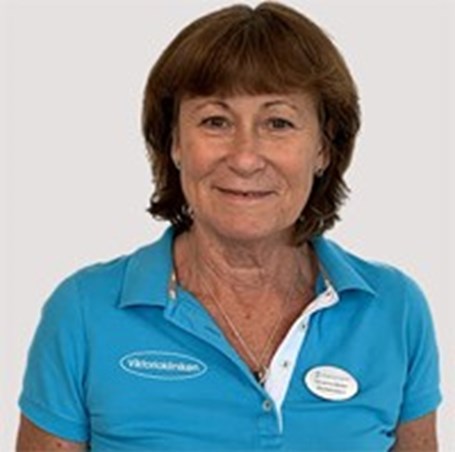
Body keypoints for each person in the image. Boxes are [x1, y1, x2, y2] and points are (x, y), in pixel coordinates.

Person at [16, 2, 442, 451]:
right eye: (215, 121)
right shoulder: (85, 312)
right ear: (175, 142)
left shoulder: (394, 311)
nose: (244, 157)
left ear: (323, 148)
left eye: (278, 123)